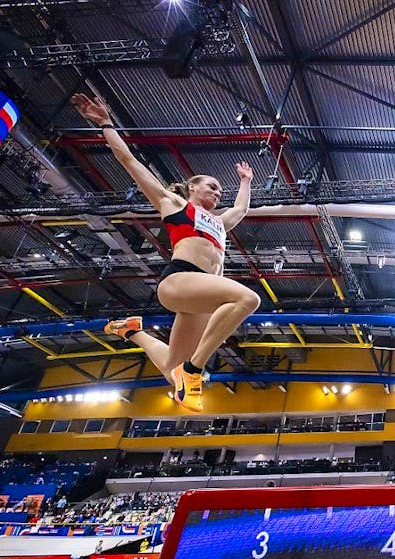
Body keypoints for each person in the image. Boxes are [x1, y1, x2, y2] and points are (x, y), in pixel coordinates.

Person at [71, 94, 261, 413]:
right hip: (179, 280)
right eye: (211, 187)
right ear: (191, 189)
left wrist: (246, 181)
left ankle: (133, 331)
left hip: (200, 296)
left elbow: (241, 208)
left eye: (220, 191)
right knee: (248, 299)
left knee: (171, 372)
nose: (217, 193)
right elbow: (128, 161)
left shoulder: (219, 222)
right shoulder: (173, 204)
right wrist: (105, 123)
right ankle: (194, 370)